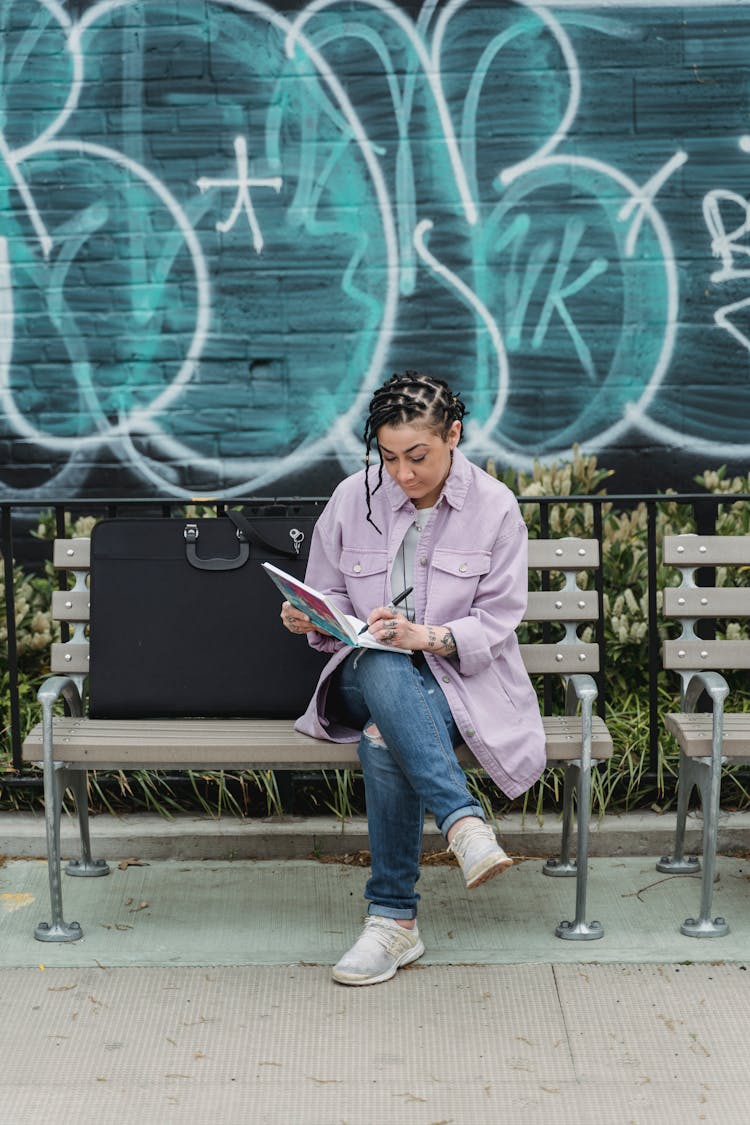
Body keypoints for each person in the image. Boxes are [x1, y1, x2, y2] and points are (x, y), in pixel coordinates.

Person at [280, 371, 545, 986]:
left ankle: (394, 922)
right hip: (361, 672)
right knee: (377, 657)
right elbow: (331, 593)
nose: (401, 474)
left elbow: (499, 621)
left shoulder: (495, 506)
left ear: (454, 435)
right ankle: (463, 822)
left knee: (383, 737)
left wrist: (425, 636)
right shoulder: (352, 498)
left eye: (418, 456)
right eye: (389, 456)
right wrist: (307, 614)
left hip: (460, 685)